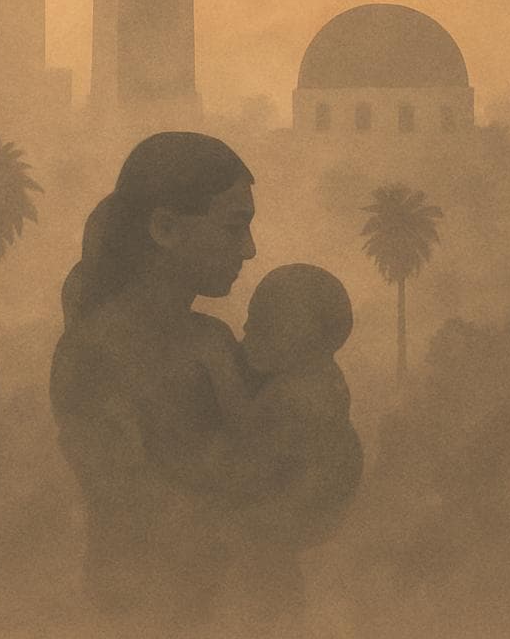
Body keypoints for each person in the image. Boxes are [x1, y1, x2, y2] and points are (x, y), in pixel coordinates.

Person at [50, 131, 257, 629]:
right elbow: (127, 497)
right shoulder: (92, 354)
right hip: (138, 606)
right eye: (234, 228)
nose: (249, 250)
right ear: (164, 227)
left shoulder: (212, 339)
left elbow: (254, 450)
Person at [200, 263, 363, 621]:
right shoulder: (315, 377)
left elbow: (244, 427)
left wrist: (220, 371)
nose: (247, 329)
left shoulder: (297, 393)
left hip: (297, 502)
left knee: (259, 556)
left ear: (311, 340)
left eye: (263, 323)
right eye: (250, 317)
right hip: (297, 497)